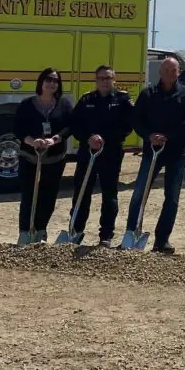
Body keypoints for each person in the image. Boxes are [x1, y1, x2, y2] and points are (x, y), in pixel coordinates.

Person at [123, 56, 185, 254]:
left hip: (176, 153)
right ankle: (132, 233)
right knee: (140, 193)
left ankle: (162, 240)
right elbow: (136, 119)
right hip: (151, 152)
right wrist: (149, 136)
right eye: (165, 70)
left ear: (179, 73)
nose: (169, 74)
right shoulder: (148, 94)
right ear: (160, 72)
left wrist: (168, 137)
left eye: (173, 70)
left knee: (172, 198)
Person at [68, 64, 134, 247]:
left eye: (108, 78)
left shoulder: (122, 100)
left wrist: (105, 139)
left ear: (114, 79)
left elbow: (127, 126)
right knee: (82, 192)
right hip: (87, 153)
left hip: (111, 153)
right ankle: (76, 230)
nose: (105, 81)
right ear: (96, 80)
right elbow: (75, 125)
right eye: (101, 78)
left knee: (109, 195)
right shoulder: (86, 99)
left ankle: (106, 235)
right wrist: (88, 138)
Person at [13, 67, 74, 243]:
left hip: (54, 157)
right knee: (29, 194)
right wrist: (32, 141)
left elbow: (70, 126)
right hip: (29, 156)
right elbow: (17, 128)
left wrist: (55, 139)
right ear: (41, 81)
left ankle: (41, 230)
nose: (51, 83)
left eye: (56, 81)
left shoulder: (64, 104)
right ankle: (25, 232)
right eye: (48, 79)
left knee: (48, 196)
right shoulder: (27, 104)